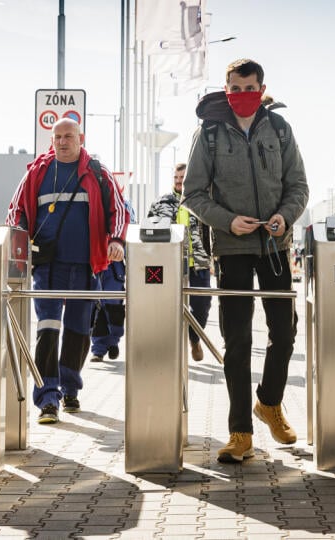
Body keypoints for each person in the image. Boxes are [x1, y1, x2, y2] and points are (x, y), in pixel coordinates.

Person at [182, 59, 309, 462]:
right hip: (231, 248)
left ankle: (269, 403)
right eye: (234, 88)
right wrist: (227, 221)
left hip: (274, 247)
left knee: (284, 332)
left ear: (261, 87)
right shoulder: (210, 134)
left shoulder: (280, 130)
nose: (241, 95)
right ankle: (240, 434)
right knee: (237, 341)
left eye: (248, 87)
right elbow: (194, 194)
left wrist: (284, 218)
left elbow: (299, 186)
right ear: (226, 88)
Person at [6, 118, 128, 424]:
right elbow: (16, 210)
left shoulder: (98, 172)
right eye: (57, 136)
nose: (62, 141)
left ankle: (71, 386)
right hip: (47, 267)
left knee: (78, 330)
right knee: (48, 327)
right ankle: (48, 397)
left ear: (81, 138)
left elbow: (120, 210)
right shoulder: (37, 171)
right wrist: (19, 237)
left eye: (68, 136)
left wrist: (116, 240)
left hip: (87, 266)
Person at [148, 162, 213, 362]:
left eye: (182, 178)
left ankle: (194, 339)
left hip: (198, 264)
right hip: (170, 266)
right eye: (176, 178)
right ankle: (170, 351)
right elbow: (149, 230)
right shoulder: (161, 203)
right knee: (167, 309)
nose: (179, 182)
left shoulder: (205, 201)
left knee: (202, 307)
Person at [89, 196, 136, 363]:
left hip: (115, 265)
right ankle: (98, 349)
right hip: (95, 261)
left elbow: (129, 235)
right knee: (97, 307)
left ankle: (114, 340)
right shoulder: (91, 200)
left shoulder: (125, 206)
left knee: (114, 305)